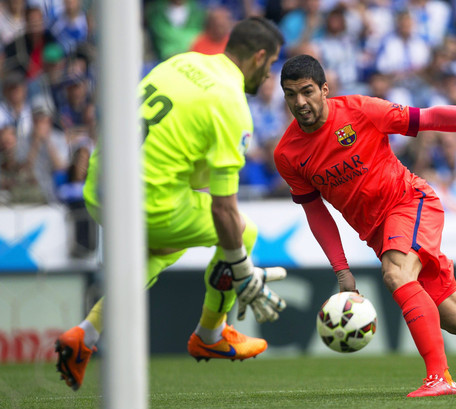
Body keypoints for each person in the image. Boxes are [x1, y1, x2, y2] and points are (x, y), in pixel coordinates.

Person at [273, 54, 456, 398]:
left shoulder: (360, 110)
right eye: (290, 95)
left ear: (324, 89)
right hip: (378, 232)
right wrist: (341, 270)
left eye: (307, 91)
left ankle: (440, 377)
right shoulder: (287, 153)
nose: (300, 103)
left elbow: (429, 118)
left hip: (410, 202)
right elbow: (317, 213)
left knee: (396, 273)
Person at [54, 17, 287, 391]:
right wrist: (243, 273)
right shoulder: (231, 103)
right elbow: (223, 209)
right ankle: (211, 335)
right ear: (259, 57)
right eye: (272, 64)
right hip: (147, 201)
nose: (270, 75)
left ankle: (86, 334)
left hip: (101, 185)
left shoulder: (183, 61)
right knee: (243, 230)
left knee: (165, 244)